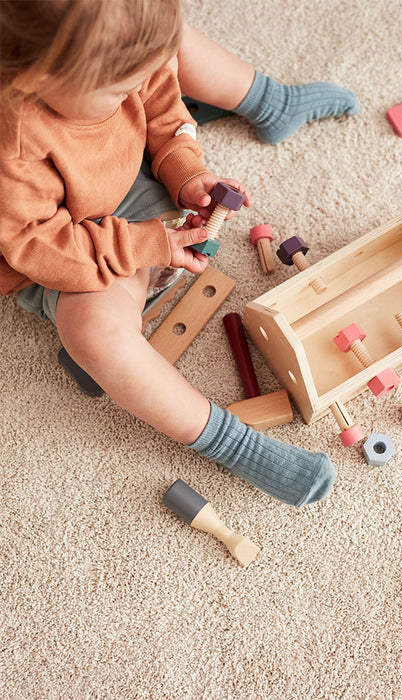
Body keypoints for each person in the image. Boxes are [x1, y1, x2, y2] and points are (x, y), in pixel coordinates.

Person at [0, 0, 340, 507]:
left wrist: (182, 169)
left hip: (128, 179)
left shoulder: (127, 54)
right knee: (95, 333)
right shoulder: (15, 142)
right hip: (63, 241)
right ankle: (228, 441)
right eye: (118, 88)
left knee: (172, 39)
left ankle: (270, 102)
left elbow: (161, 100)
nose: (136, 88)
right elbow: (34, 245)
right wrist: (143, 246)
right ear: (38, 78)